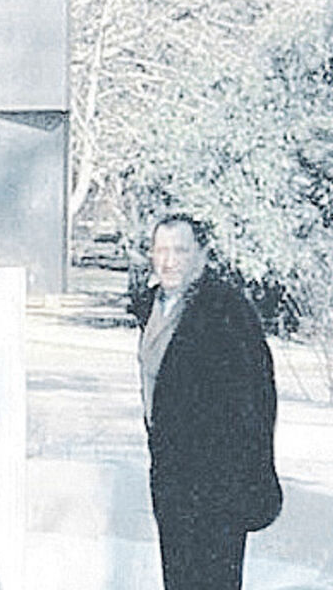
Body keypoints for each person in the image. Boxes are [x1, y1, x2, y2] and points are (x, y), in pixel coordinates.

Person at [135, 214, 282, 589]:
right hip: (171, 476)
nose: (168, 261)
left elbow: (258, 399)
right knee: (178, 578)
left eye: (180, 251)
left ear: (202, 255)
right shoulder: (154, 306)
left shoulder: (226, 310)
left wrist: (252, 477)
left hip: (219, 482)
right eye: (161, 250)